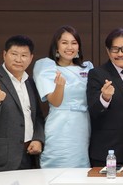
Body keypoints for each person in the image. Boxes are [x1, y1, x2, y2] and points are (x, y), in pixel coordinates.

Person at [0, 35, 45, 172]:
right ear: (4, 54)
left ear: (31, 58)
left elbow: (38, 116)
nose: (18, 59)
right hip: (1, 158)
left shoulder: (30, 82)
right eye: (14, 54)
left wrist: (38, 139)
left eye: (24, 55)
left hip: (29, 154)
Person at [33, 26, 94, 168]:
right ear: (56, 46)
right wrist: (59, 86)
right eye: (64, 43)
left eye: (74, 43)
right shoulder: (47, 67)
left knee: (80, 169)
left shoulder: (87, 68)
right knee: (58, 167)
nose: (70, 47)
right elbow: (55, 102)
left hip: (83, 126)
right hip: (60, 126)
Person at [87, 28, 123, 167]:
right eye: (115, 49)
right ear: (108, 50)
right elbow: (93, 110)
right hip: (107, 152)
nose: (120, 54)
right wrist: (105, 98)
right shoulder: (97, 74)